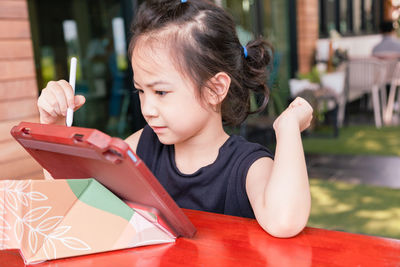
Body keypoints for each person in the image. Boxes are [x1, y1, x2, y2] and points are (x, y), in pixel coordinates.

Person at [37, 0, 313, 238]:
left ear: (215, 89)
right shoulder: (142, 147)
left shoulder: (248, 165)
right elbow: (76, 200)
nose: (147, 108)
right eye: (141, 91)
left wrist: (287, 127)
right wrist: (53, 129)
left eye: (161, 92)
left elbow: (285, 220)